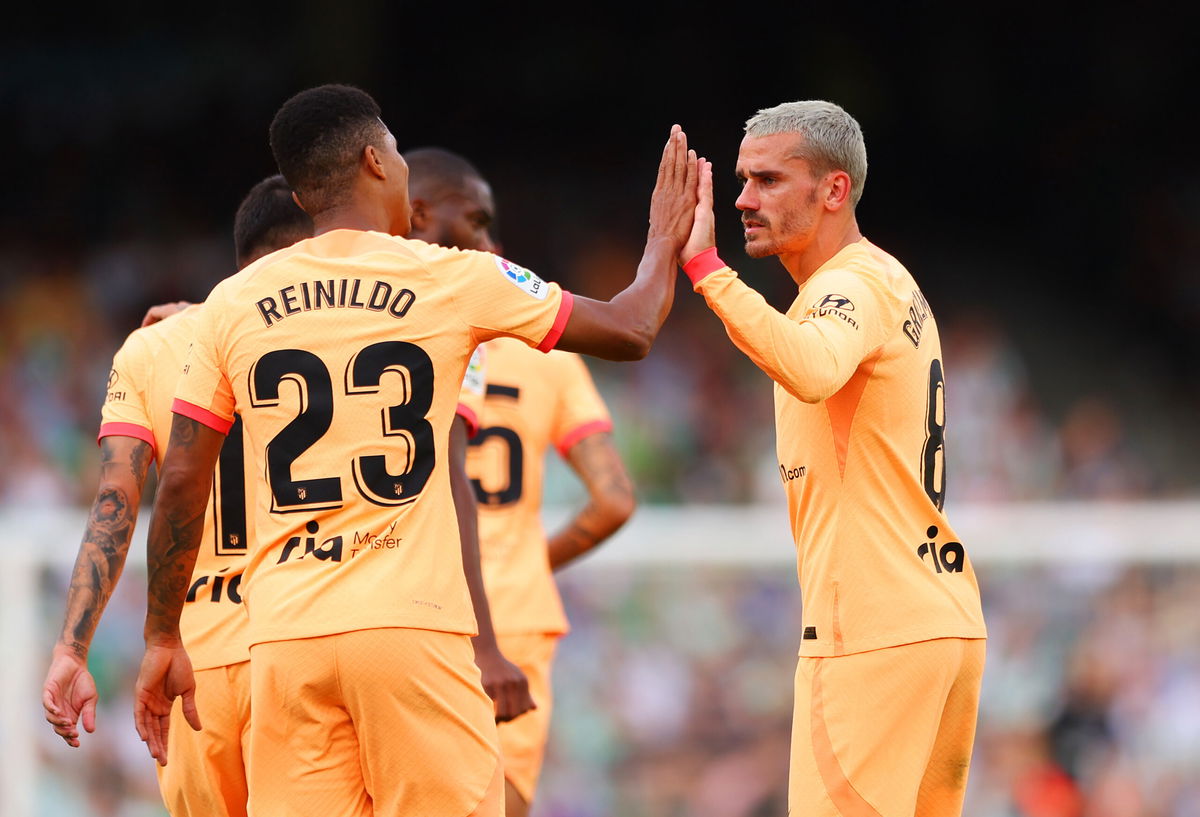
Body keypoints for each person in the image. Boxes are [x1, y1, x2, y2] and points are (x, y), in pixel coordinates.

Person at [132, 83, 696, 817]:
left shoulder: (231, 304)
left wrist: (161, 632)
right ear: (374, 160)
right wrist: (663, 237)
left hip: (286, 639)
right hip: (411, 626)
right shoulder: (452, 278)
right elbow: (631, 328)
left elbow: (181, 476)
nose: (402, 167)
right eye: (397, 150)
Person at [678, 101, 987, 816]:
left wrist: (704, 267)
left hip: (872, 632)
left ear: (834, 190)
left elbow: (813, 367)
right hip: (940, 621)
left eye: (768, 180)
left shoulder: (846, 286)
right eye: (742, 181)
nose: (743, 200)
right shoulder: (888, 280)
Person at [41, 174, 314, 817]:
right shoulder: (348, 336)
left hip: (200, 662)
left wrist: (70, 649)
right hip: (308, 641)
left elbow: (115, 502)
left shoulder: (154, 347)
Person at [405, 147, 636, 817]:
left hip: (409, 600)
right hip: (511, 611)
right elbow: (614, 498)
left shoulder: (381, 333)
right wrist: (532, 564)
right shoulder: (549, 356)